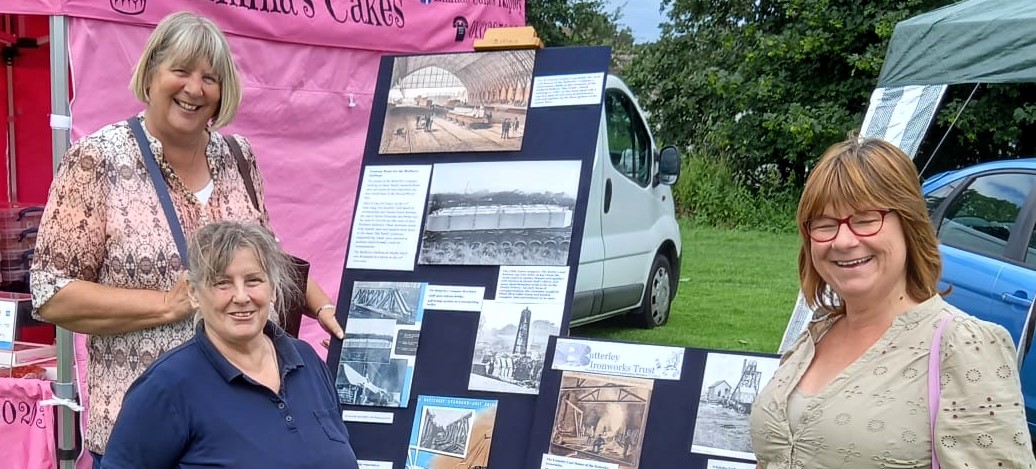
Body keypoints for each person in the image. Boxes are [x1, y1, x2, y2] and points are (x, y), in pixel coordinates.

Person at [29, 12, 344, 466]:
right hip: (147, 438)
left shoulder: (239, 156)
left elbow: (264, 254)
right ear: (152, 74)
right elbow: (50, 293)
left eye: (209, 78)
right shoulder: (97, 160)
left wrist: (321, 304)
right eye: (180, 71)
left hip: (243, 431)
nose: (194, 89)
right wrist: (166, 305)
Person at [749, 136, 1035, 467]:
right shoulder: (815, 336)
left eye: (866, 220)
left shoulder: (963, 345)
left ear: (909, 224)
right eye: (825, 225)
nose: (843, 240)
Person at [100, 222, 359, 468]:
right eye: (222, 283)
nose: (241, 296)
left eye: (253, 280)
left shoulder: (307, 361)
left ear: (273, 286)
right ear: (193, 292)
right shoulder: (166, 386)